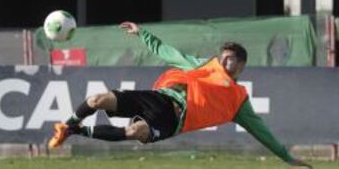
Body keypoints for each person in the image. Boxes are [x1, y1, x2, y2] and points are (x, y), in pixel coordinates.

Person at [48, 22, 312, 168]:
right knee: (98, 99)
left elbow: (261, 131)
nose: (222, 60)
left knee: (133, 133)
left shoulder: (238, 100)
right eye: (222, 56)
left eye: (228, 58)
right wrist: (143, 34)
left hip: (173, 120)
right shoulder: (204, 64)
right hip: (160, 97)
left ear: (240, 65)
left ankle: (74, 132)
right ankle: (68, 126)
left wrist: (286, 157)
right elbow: (169, 53)